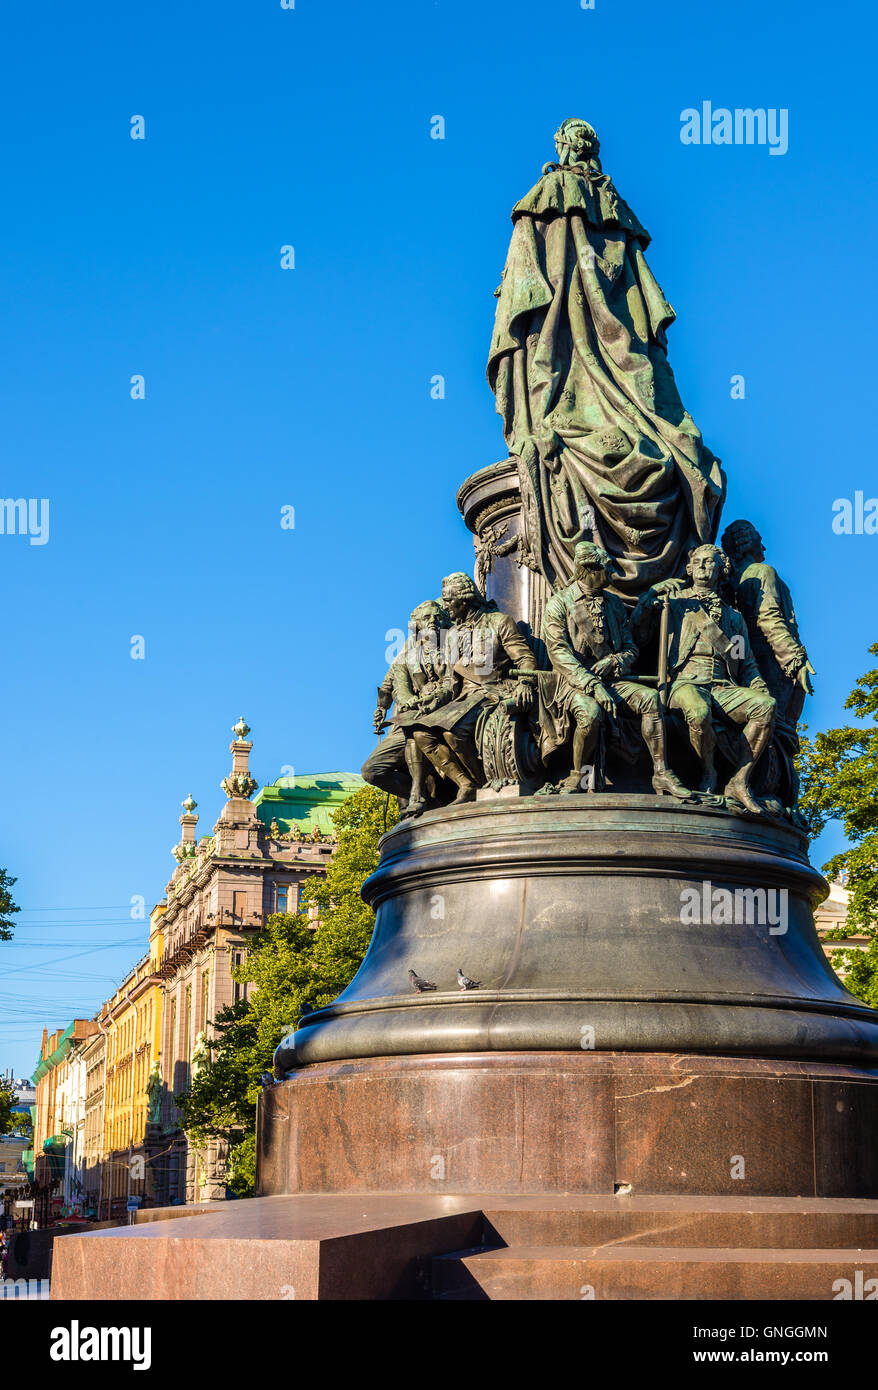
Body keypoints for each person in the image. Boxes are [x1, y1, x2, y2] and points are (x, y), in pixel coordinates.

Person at [487, 117, 725, 602]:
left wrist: (519, 296)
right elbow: (637, 300)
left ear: (562, 147)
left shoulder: (547, 194)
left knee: (555, 368)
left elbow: (526, 285)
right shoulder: (615, 208)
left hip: (558, 335)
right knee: (666, 432)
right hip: (604, 341)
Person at [635, 544, 776, 814]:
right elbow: (638, 635)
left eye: (709, 562)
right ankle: (709, 773)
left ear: (721, 570)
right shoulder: (674, 605)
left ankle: (738, 780)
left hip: (723, 686)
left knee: (766, 706)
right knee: (699, 713)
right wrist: (650, 597)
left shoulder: (733, 618)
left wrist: (758, 684)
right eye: (697, 561)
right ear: (689, 568)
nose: (702, 566)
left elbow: (745, 662)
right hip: (685, 683)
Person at [542, 541, 691, 796]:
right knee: (590, 713)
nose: (612, 575)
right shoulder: (559, 604)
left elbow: (631, 648)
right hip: (572, 682)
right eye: (606, 569)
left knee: (651, 698)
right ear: (589, 569)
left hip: (612, 678)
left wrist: (614, 661)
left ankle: (661, 773)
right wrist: (592, 684)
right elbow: (559, 653)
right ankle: (578, 776)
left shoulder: (613, 603)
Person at [410, 573, 537, 806]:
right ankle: (467, 784)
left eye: (449, 601)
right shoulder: (452, 637)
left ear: (464, 600)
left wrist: (526, 683)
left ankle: (482, 782)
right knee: (420, 733)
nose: (445, 605)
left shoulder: (499, 622)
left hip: (492, 691)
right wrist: (433, 701)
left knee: (452, 731)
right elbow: (450, 683)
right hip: (463, 698)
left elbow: (525, 659)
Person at [361, 599, 451, 814]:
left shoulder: (452, 644)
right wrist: (381, 708)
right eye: (427, 617)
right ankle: (424, 799)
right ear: (417, 624)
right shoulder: (410, 648)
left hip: (439, 714)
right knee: (372, 770)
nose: (433, 622)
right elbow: (390, 681)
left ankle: (418, 798)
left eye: (437, 617)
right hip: (407, 715)